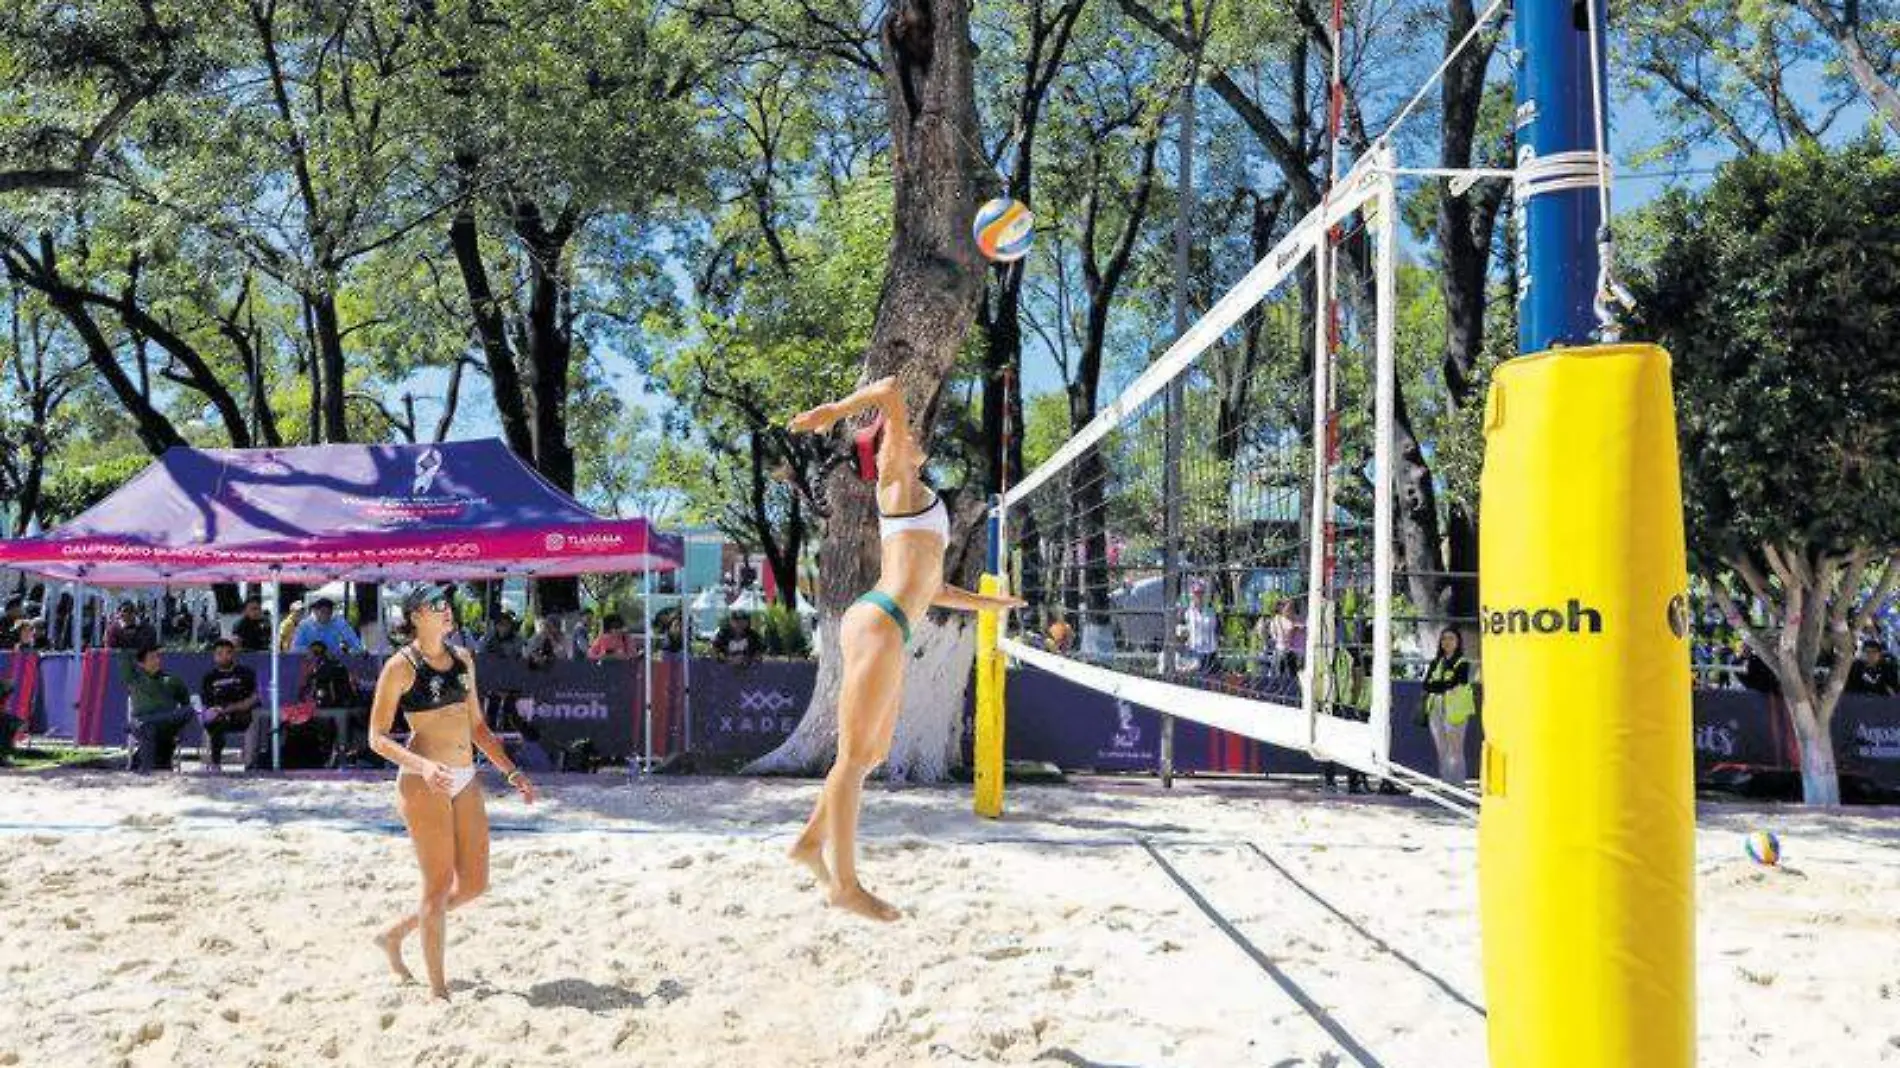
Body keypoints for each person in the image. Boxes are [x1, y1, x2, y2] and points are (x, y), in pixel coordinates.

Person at [784, 377, 1024, 920]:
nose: (915, 436)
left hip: (892, 623)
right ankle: (844, 885)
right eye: (900, 433)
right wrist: (839, 408)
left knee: (873, 754)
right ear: (888, 449)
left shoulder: (925, 501)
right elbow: (891, 390)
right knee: (850, 760)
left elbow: (932, 589)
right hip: (877, 623)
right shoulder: (894, 480)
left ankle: (807, 843)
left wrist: (993, 606)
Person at [367, 584, 537, 1000]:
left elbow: (477, 728)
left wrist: (512, 772)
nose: (447, 610)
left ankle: (394, 935)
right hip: (424, 782)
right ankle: (438, 992)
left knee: (475, 885)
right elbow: (376, 737)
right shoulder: (401, 666)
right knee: (438, 886)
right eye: (437, 605)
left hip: (463, 777)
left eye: (448, 603)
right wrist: (423, 766)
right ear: (414, 617)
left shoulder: (463, 659)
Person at [123, 644, 194, 773]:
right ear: (141, 664)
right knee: (148, 730)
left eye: (158, 657)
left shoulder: (172, 680)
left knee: (188, 711)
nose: (157, 661)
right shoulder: (135, 679)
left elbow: (186, 704)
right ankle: (147, 769)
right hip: (141, 723)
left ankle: (144, 768)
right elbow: (125, 657)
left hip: (163, 724)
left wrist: (180, 727)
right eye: (152, 658)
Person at [1420, 627, 1476, 784]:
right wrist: (1442, 685)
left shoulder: (1462, 663)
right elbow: (1427, 685)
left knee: (1456, 750)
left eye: (1451, 638)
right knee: (1442, 750)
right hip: (1435, 708)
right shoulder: (1436, 662)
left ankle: (1458, 786)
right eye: (1444, 639)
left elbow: (1456, 683)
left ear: (1458, 642)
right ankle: (1446, 784)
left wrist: (1439, 685)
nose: (1447, 642)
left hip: (1455, 709)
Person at [299, 641, 365, 768]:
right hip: (339, 706)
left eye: (310, 653)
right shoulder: (325, 665)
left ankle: (335, 757)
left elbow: (316, 690)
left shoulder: (325, 667)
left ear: (315, 653)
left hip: (337, 707)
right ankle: (334, 756)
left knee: (330, 729)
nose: (307, 655)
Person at [199, 639, 260, 771]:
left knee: (253, 718)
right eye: (219, 653)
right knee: (213, 722)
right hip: (218, 715)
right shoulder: (209, 677)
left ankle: (250, 765)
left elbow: (254, 698)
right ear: (214, 656)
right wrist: (215, 711)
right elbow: (206, 703)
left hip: (242, 713)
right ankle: (215, 764)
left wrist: (232, 708)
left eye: (228, 653)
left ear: (233, 655)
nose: (224, 657)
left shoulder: (245, 673)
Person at [292, 598, 361, 654]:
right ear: (315, 611)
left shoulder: (338, 622)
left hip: (334, 661)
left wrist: (358, 650)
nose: (326, 615)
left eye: (329, 612)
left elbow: (353, 640)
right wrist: (311, 650)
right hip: (310, 662)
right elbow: (295, 648)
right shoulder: (304, 625)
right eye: (323, 612)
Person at [1184, 581, 1219, 675]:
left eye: (1201, 593)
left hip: (1210, 650)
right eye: (1196, 593)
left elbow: (1216, 628)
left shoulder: (1211, 611)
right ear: (1192, 595)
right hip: (1194, 649)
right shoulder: (1188, 612)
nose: (1198, 596)